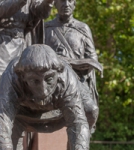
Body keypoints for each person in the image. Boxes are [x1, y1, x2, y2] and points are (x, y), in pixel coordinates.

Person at [0, 0, 54, 149]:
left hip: (22, 50)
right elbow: (2, 10)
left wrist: (49, 1)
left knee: (19, 101)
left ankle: (15, 145)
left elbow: (40, 12)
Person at [0, 44, 90, 150]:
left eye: (49, 79)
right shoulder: (11, 77)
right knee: (5, 128)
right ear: (23, 76)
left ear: (58, 73)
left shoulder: (67, 77)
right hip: (23, 115)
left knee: (91, 110)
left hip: (60, 113)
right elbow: (1, 120)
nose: (43, 91)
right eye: (34, 81)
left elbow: (77, 122)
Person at [45, 0, 102, 134]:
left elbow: (93, 59)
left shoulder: (82, 29)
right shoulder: (45, 28)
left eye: (70, 1)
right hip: (50, 82)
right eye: (61, 1)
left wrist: (70, 62)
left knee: (91, 110)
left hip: (76, 81)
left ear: (74, 5)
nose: (66, 4)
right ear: (55, 4)